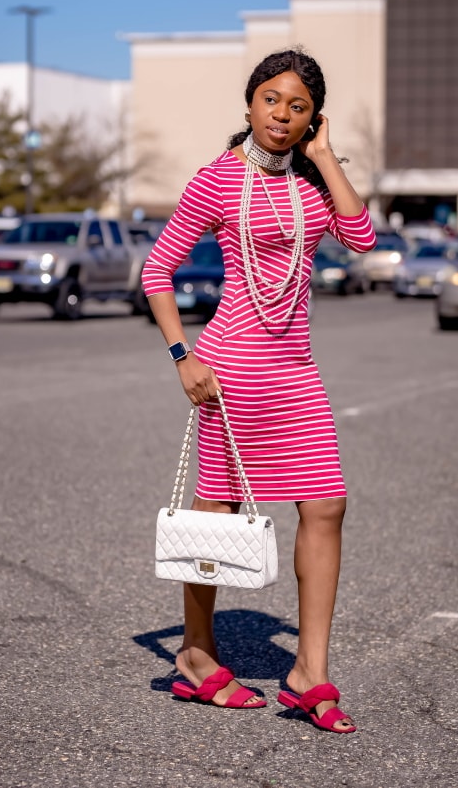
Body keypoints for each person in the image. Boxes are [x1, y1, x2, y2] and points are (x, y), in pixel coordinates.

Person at [141, 48, 376, 732]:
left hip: (294, 371)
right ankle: (195, 653)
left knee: (327, 503)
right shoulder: (217, 179)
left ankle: (308, 670)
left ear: (312, 119)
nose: (282, 114)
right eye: (271, 98)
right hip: (227, 371)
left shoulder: (310, 184)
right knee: (214, 515)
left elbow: (360, 237)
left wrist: (327, 157)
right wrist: (182, 356)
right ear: (249, 102)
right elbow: (157, 269)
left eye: (298, 106)